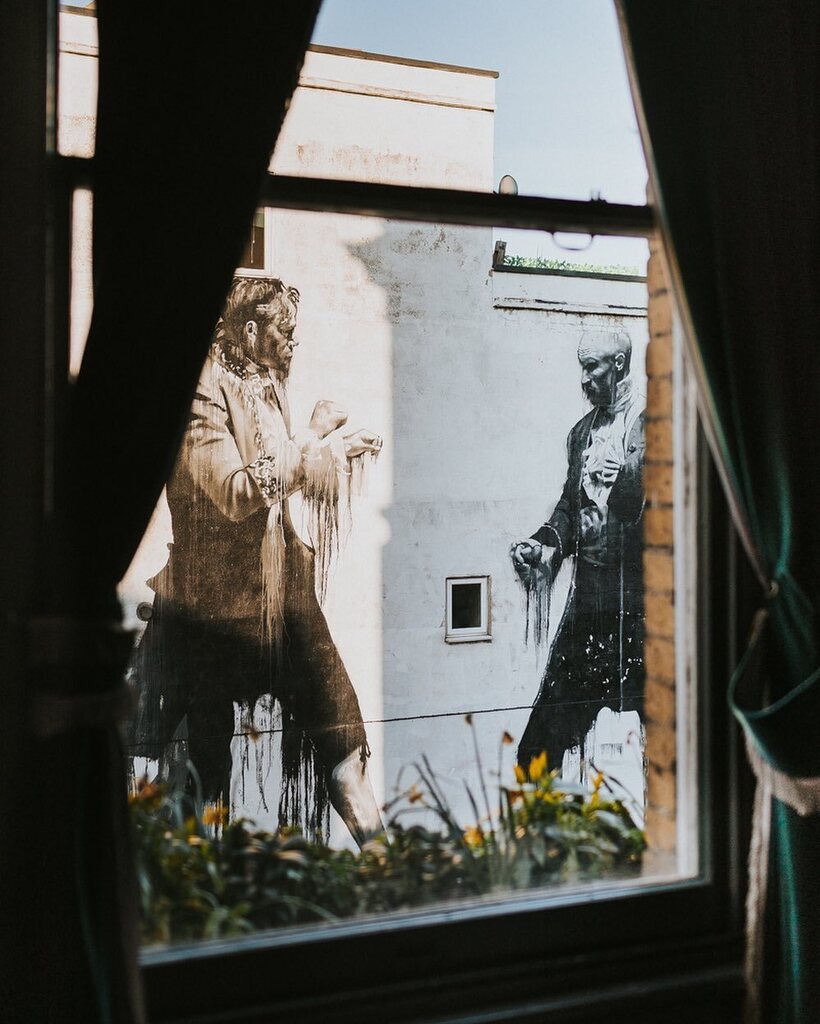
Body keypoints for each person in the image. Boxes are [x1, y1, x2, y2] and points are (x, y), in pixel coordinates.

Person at [129, 276, 384, 845]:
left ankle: (391, 870)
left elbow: (279, 476)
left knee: (343, 735)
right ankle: (191, 877)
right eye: (285, 332)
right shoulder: (199, 393)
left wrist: (324, 443)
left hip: (284, 593)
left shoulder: (264, 382)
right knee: (201, 770)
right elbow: (236, 492)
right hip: (216, 604)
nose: (294, 342)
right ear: (250, 331)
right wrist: (319, 444)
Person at [511, 329, 646, 775]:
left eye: (593, 367)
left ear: (619, 364)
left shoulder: (660, 427)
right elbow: (570, 508)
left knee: (680, 746)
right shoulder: (581, 433)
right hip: (589, 610)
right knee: (537, 754)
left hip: (648, 614)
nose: (584, 379)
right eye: (582, 368)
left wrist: (625, 478)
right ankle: (550, 821)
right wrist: (544, 543)